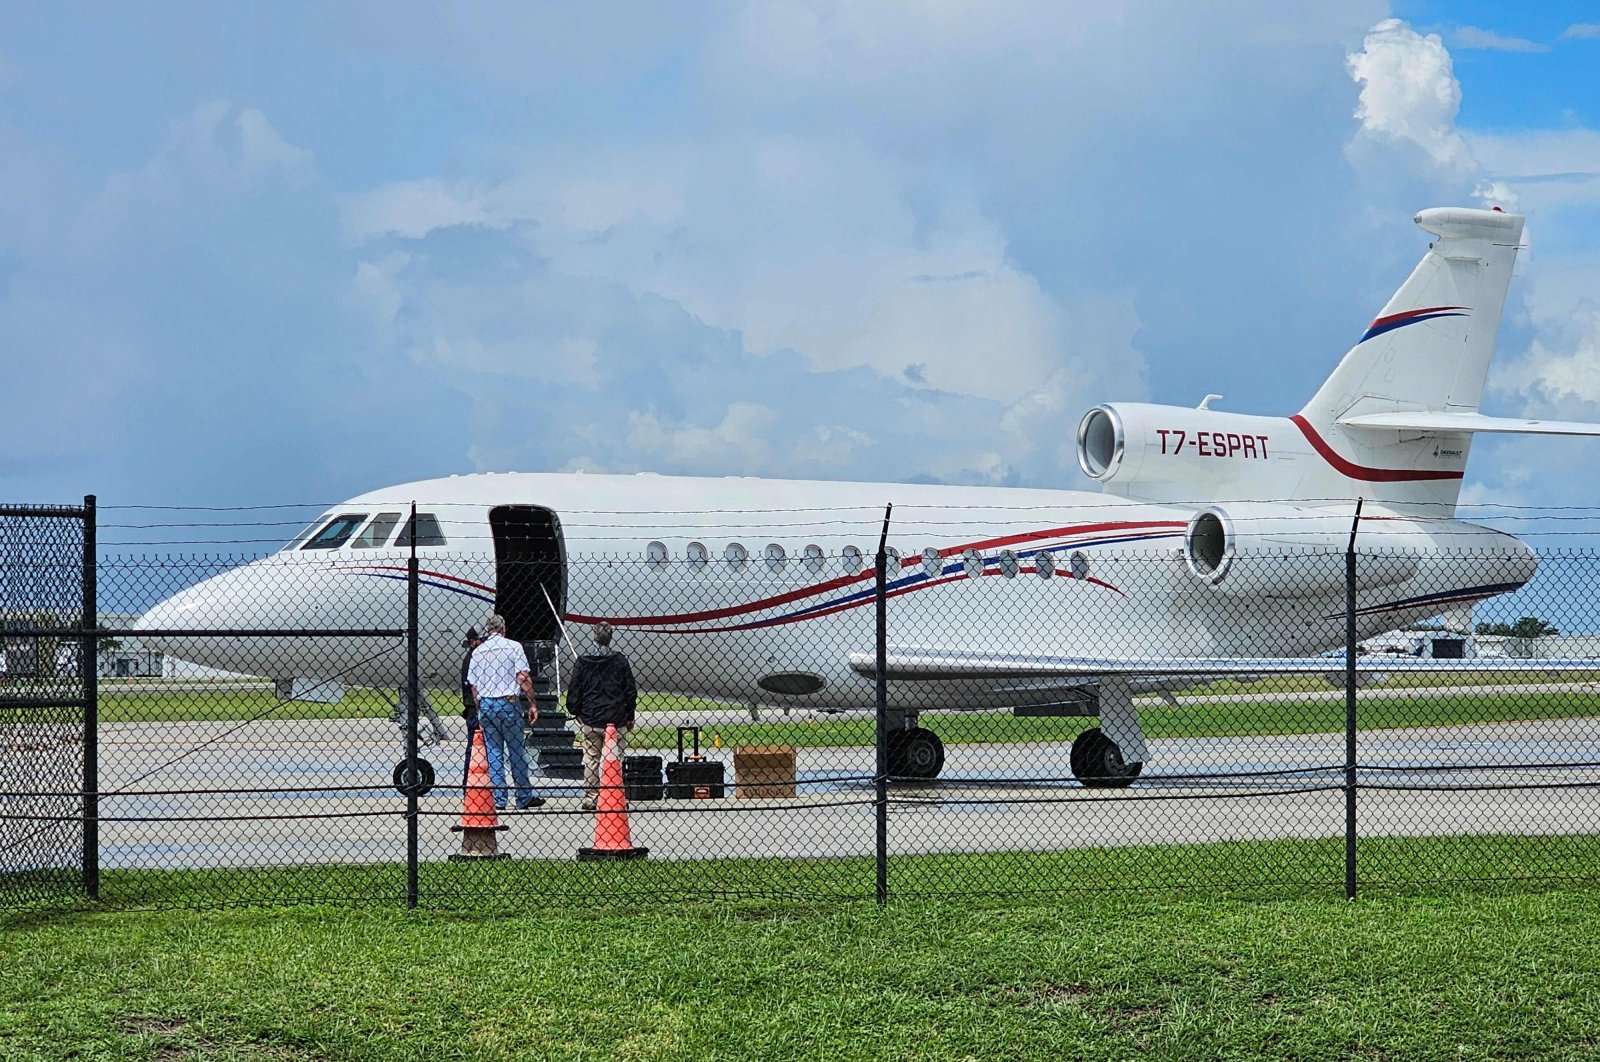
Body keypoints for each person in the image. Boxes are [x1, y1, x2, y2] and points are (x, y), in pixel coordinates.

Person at [465, 613, 543, 810]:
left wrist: (479, 707)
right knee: (516, 750)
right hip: (508, 703)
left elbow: (474, 687)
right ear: (503, 628)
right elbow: (523, 677)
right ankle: (523, 796)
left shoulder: (478, 652)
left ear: (487, 630)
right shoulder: (514, 647)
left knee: (493, 753)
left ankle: (499, 799)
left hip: (487, 704)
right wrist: (532, 703)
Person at [567, 621, 637, 811]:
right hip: (616, 717)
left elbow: (574, 689)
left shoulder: (583, 661)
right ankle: (615, 795)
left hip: (591, 716)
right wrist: (630, 714)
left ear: (593, 636)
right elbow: (630, 690)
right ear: (611, 637)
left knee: (591, 758)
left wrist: (576, 711)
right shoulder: (620, 661)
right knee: (616, 760)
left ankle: (592, 796)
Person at [459, 627, 482, 781]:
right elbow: (474, 687)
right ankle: (470, 781)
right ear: (473, 641)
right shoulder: (474, 658)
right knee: (475, 748)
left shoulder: (476, 656)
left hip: (476, 708)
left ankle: (471, 782)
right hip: (475, 709)